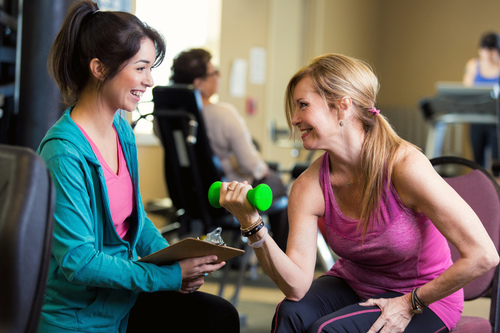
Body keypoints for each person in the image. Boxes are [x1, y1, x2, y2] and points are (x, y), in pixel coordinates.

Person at [219, 53, 499, 332]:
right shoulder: (308, 186)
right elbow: (296, 286)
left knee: (327, 330)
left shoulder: (405, 166)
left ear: (342, 107)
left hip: (424, 298)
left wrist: (408, 303)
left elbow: (483, 255)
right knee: (291, 313)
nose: (294, 119)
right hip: (355, 285)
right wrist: (253, 225)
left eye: (303, 105)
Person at [36, 1, 239, 332]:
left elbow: (137, 221)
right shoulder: (63, 152)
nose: (149, 81)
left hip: (123, 299)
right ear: (99, 68)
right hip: (81, 316)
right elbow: (78, 261)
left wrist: (177, 261)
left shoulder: (121, 132)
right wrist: (170, 276)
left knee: (218, 315)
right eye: (141, 68)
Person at [169, 48, 289, 251]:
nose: (218, 76)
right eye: (213, 72)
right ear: (198, 83)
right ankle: (282, 253)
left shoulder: (168, 117)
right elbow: (249, 163)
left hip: (188, 196)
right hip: (227, 194)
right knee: (278, 185)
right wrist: (263, 170)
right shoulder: (224, 114)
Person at [463, 31, 500, 169]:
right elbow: (467, 90)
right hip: (477, 119)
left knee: (497, 163)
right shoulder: (473, 65)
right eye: (485, 49)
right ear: (480, 50)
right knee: (477, 163)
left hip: (496, 121)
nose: (489, 53)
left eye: (492, 49)